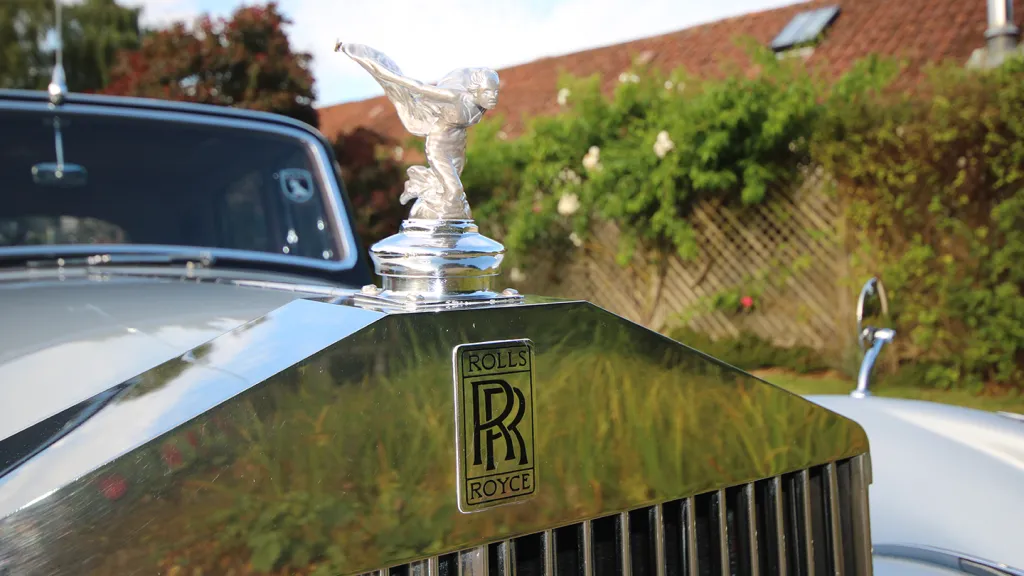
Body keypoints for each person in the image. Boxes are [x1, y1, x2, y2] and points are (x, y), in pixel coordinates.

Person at [336, 42, 499, 220]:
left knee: (447, 191)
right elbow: (419, 88)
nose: (493, 97)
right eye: (488, 92)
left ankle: (453, 230)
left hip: (458, 148)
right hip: (440, 146)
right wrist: (391, 77)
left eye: (495, 92)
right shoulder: (455, 98)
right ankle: (442, 234)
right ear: (476, 91)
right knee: (454, 190)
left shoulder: (482, 106)